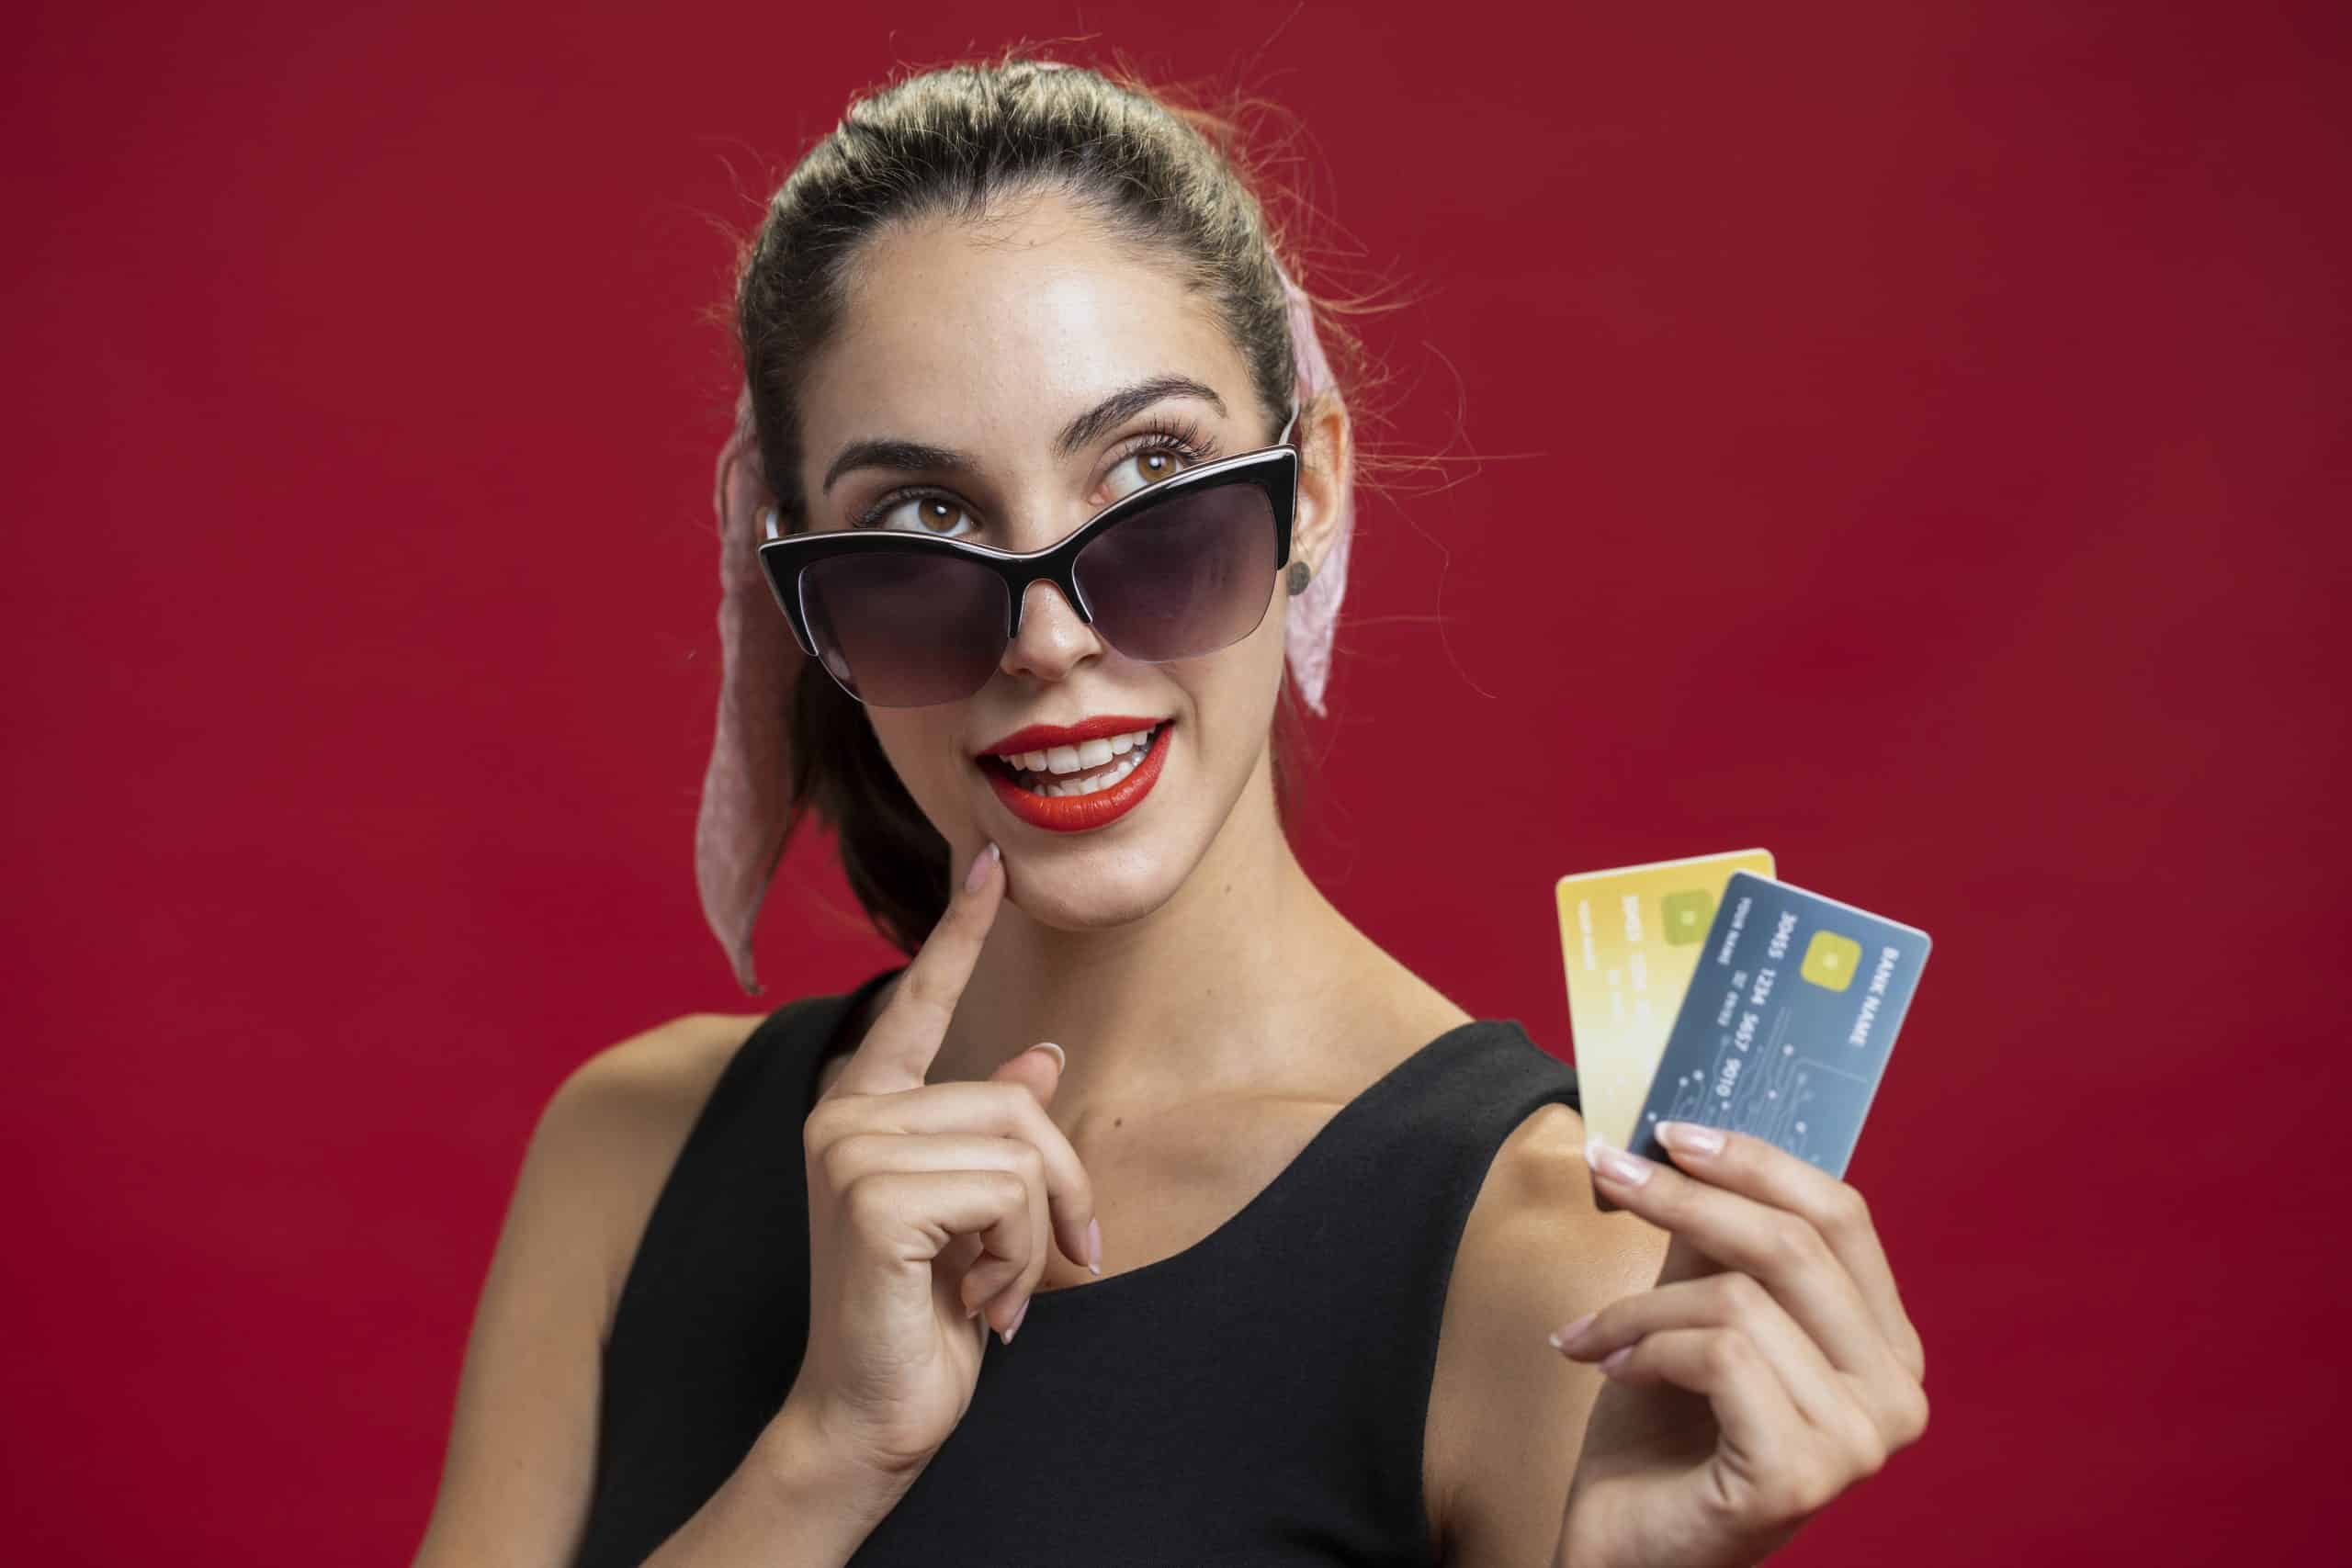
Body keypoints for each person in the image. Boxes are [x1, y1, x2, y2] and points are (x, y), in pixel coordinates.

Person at [412, 52, 1928, 1568]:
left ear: (1311, 489)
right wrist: (827, 1453)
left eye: (1151, 474)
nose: (1049, 638)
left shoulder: (1549, 1270)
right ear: (805, 593)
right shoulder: (632, 1153)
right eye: (922, 523)